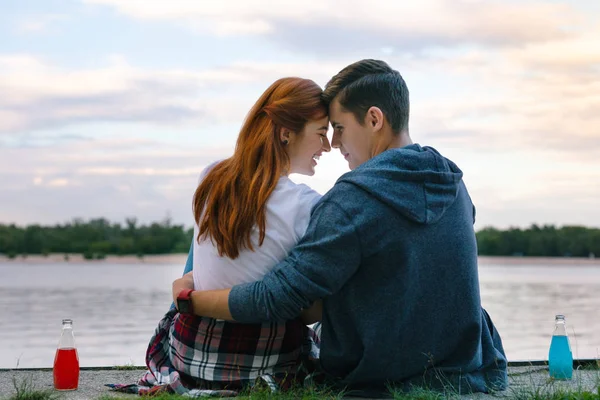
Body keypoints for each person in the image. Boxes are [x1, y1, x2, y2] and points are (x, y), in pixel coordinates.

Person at [172, 59, 509, 396]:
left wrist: (191, 300)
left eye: (340, 128)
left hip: (377, 370)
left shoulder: (351, 200)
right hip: (466, 365)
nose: (333, 143)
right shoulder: (452, 183)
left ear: (374, 119)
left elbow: (278, 297)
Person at [110, 77, 331, 397]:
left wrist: (187, 284)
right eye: (322, 133)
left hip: (190, 351)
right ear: (286, 133)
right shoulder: (306, 205)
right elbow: (310, 310)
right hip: (260, 359)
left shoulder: (212, 176)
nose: (326, 147)